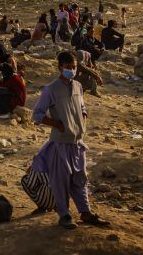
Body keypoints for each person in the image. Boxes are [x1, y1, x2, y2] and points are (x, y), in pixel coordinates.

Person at [30, 51, 109, 229]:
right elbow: (37, 115)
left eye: (74, 67)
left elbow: (82, 106)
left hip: (77, 142)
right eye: (68, 67)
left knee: (80, 178)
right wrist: (58, 125)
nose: (72, 70)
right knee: (61, 180)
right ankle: (64, 215)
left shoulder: (78, 86)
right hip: (60, 143)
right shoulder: (50, 89)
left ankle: (85, 212)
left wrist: (83, 119)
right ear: (60, 67)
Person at [0, 46, 26, 118]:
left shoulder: (10, 60)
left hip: (17, 97)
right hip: (14, 84)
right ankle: (3, 110)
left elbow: (13, 71)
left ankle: (5, 110)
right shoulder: (4, 61)